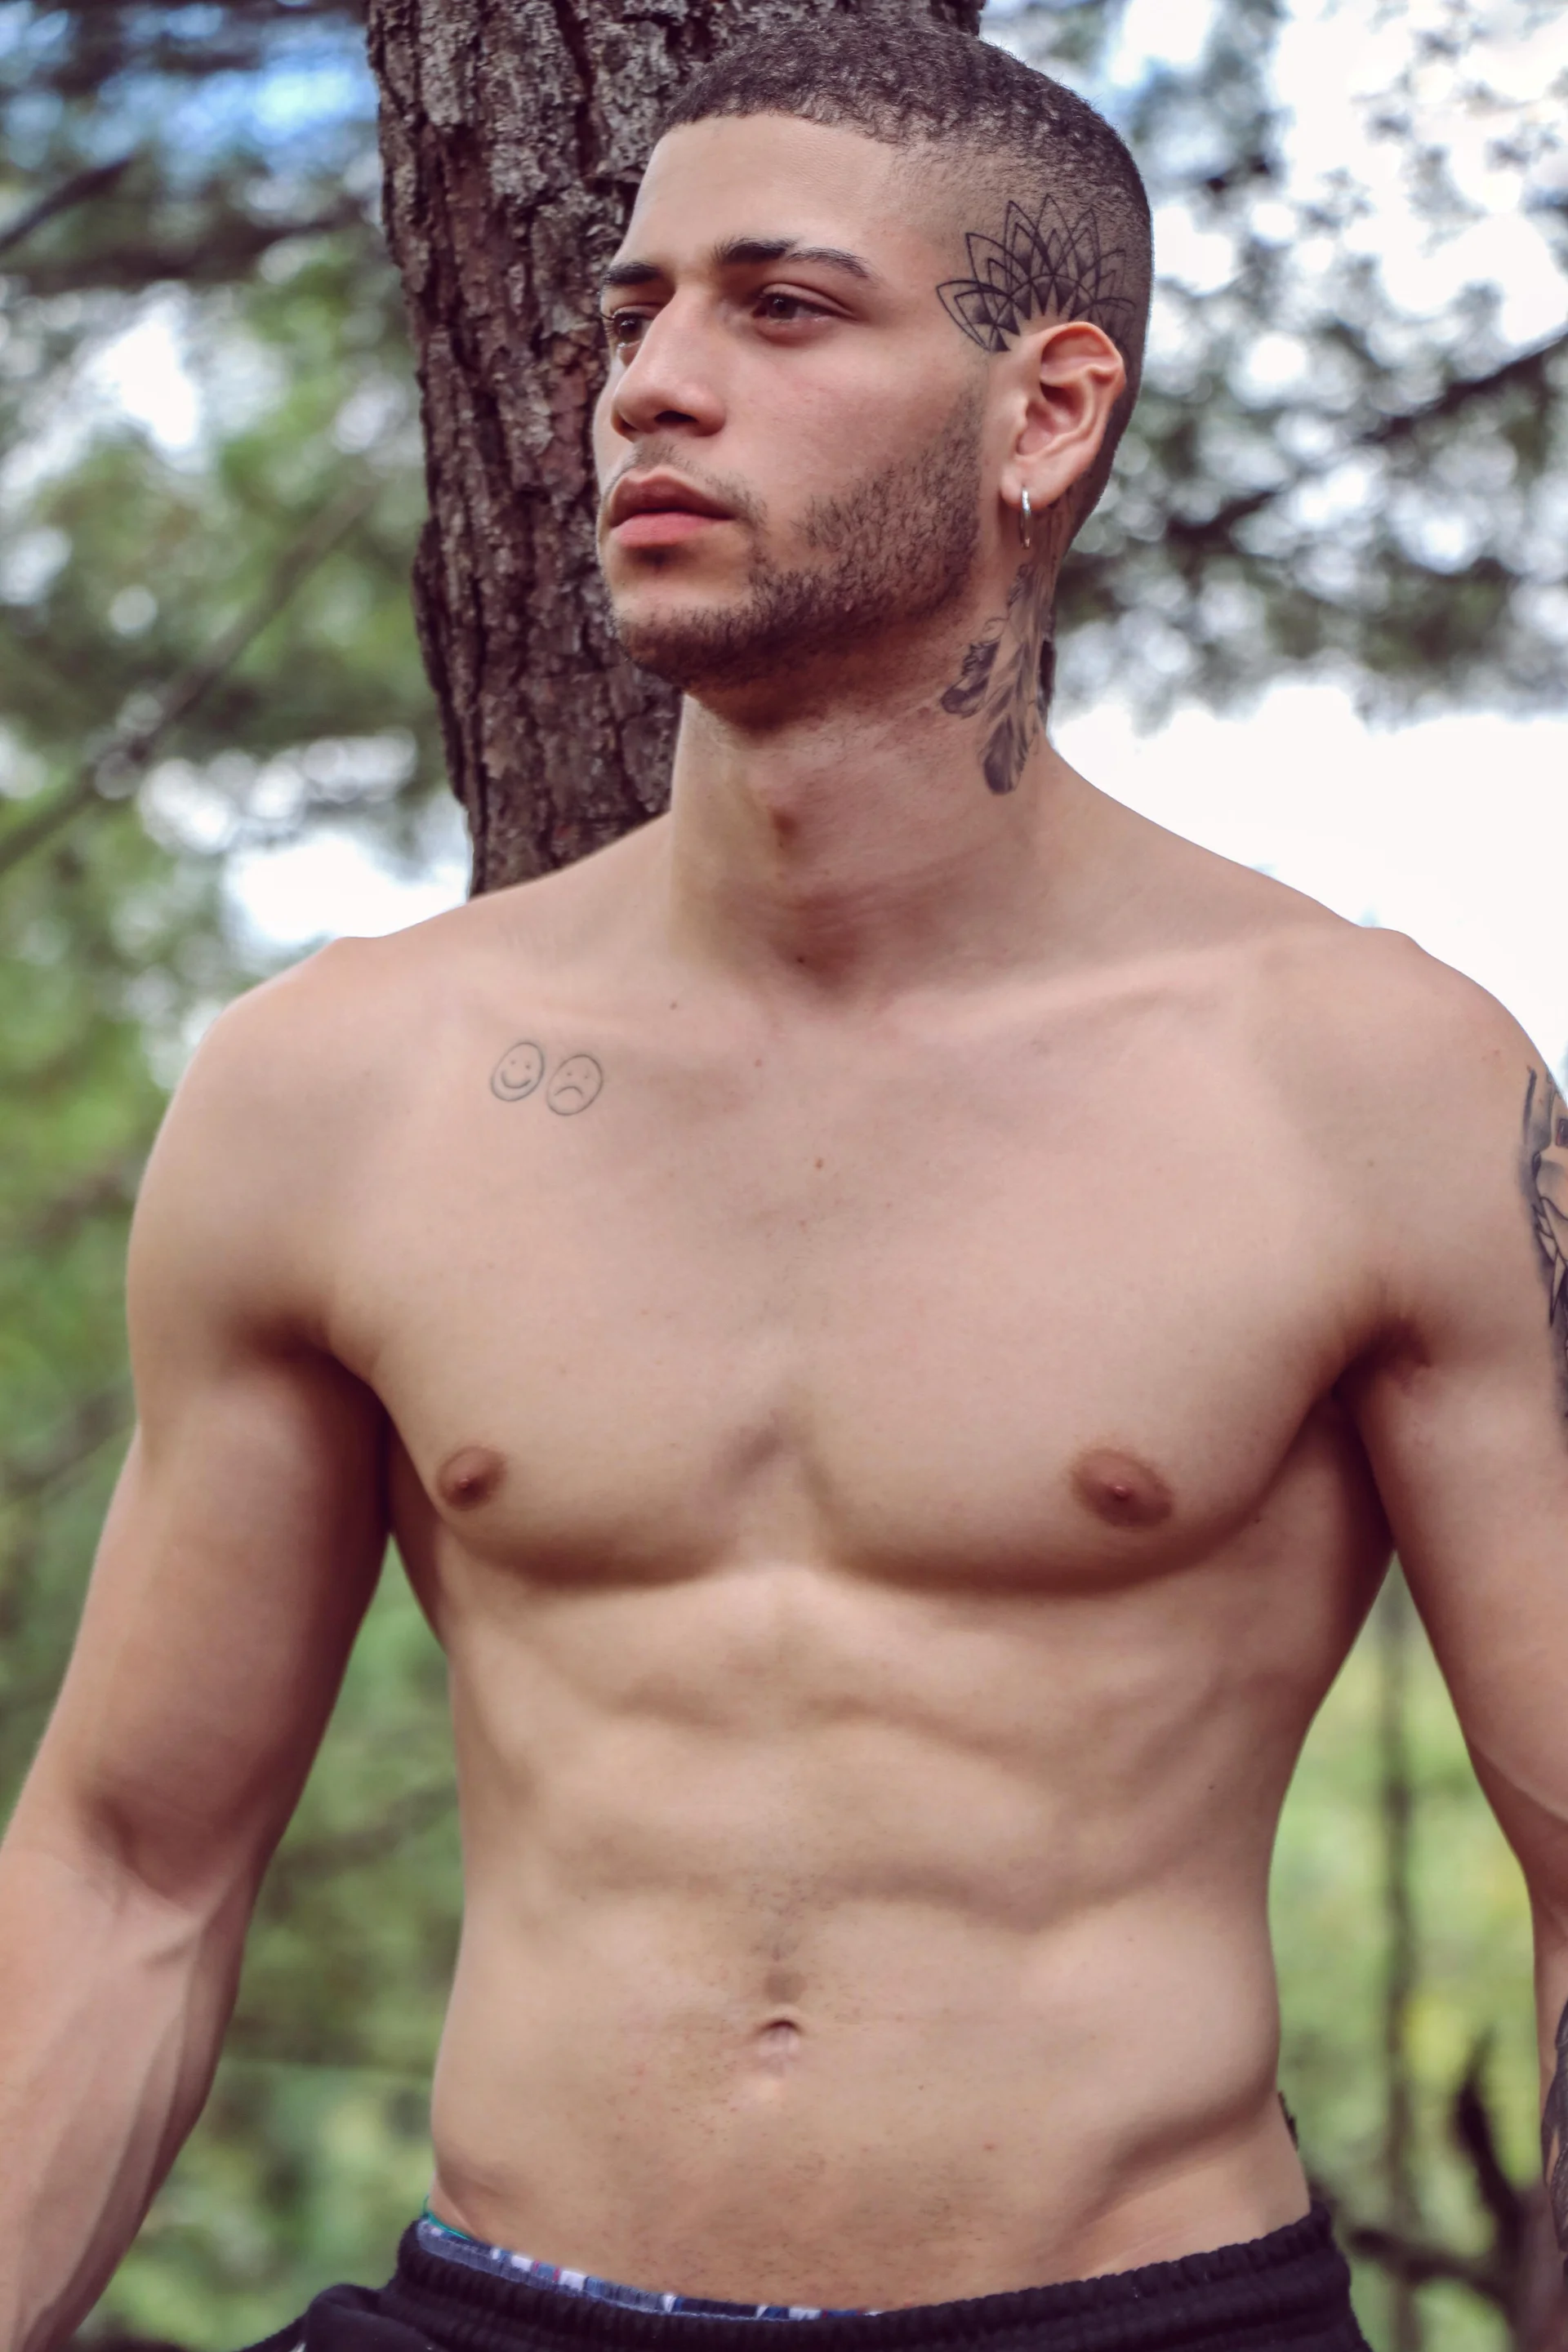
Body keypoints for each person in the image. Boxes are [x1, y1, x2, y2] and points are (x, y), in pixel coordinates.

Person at [2, 15, 1567, 2352]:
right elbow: (128, 1870)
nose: (652, 385)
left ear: (1047, 413)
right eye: (634, 314)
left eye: (787, 307)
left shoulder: (1370, 1087)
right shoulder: (341, 1087)